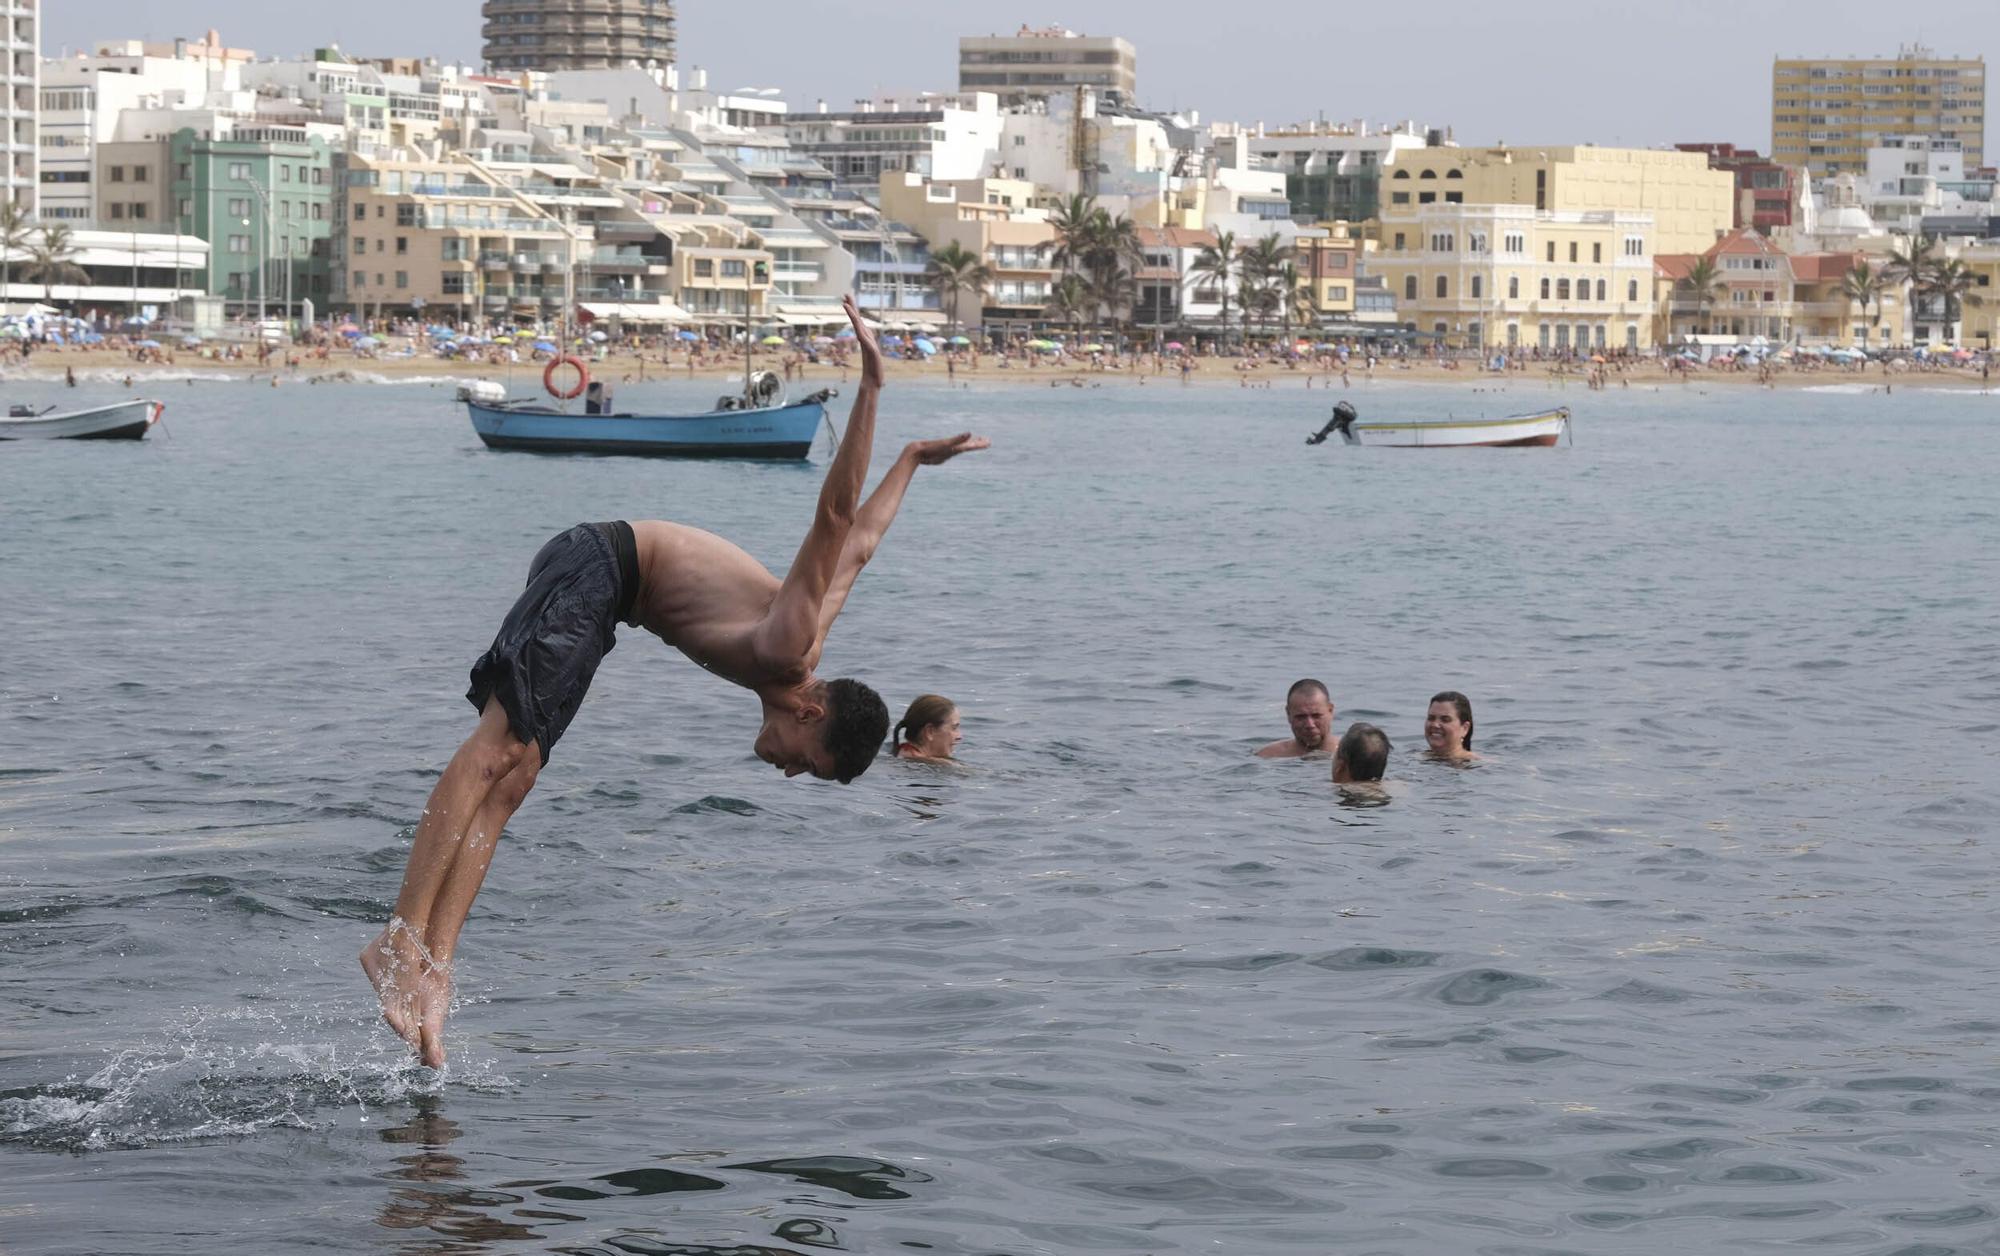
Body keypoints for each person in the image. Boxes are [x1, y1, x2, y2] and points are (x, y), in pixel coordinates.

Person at [362, 294, 989, 1067]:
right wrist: (872, 392)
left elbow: (862, 544)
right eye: (807, 758)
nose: (789, 768)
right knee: (498, 750)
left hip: (605, 599)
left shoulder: (804, 640)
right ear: (814, 706)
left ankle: (436, 966)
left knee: (516, 779)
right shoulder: (792, 647)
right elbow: (833, 523)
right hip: (598, 563)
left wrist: (911, 462)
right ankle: (398, 939)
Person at [1255, 679, 1336, 758]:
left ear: (1330, 711)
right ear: (1288, 714)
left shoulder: (1347, 754)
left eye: (1316, 716)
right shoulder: (1268, 755)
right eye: (1301, 717)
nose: (1310, 725)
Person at [892, 694, 962, 760]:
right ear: (930, 731)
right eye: (954, 728)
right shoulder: (938, 766)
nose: (959, 736)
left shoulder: (901, 752)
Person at [1423, 690, 1479, 761]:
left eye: (1445, 720)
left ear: (1465, 728)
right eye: (1431, 718)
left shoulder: (1477, 764)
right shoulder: (1415, 758)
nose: (1435, 725)